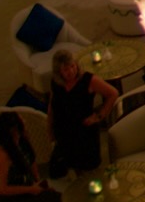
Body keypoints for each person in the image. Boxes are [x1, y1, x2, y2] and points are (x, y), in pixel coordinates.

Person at [46, 48, 119, 179]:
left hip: (84, 134)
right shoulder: (56, 83)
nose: (71, 71)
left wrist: (99, 116)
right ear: (59, 72)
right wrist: (50, 131)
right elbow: (52, 107)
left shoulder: (89, 80)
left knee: (90, 173)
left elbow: (113, 93)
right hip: (64, 134)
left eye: (72, 66)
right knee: (70, 169)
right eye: (66, 69)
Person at [0, 110, 63, 202]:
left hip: (27, 188)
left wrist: (38, 183)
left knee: (56, 198)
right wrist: (31, 189)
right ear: (13, 130)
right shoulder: (1, 154)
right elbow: (1, 189)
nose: (24, 121)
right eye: (21, 120)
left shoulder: (22, 140)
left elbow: (32, 163)